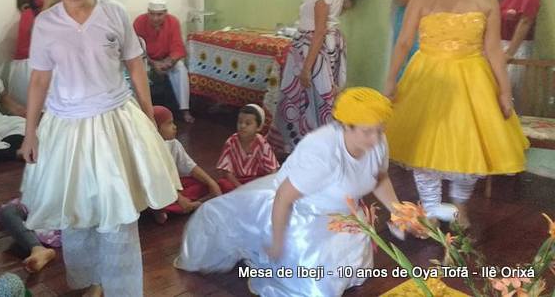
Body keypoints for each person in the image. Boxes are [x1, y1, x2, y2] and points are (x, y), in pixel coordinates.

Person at [18, 0, 180, 297]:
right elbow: (39, 80)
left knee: (117, 210)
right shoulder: (46, 23)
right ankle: (91, 281)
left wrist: (147, 114)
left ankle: (122, 287)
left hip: (113, 121)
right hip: (66, 125)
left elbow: (135, 66)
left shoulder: (114, 13)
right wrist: (30, 132)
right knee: (77, 210)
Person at [176, 88, 403, 296]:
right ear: (346, 126)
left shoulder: (376, 141)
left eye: (379, 130)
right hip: (299, 210)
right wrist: (277, 243)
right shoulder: (322, 152)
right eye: (367, 132)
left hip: (342, 217)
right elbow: (284, 197)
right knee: (216, 216)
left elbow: (378, 176)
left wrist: (397, 211)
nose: (376, 138)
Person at [385, 0, 529, 228]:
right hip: (428, 76)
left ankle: (460, 206)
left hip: (473, 79)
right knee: (423, 145)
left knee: (469, 147)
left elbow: (493, 49)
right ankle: (431, 209)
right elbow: (404, 42)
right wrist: (390, 80)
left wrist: (504, 90)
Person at [275, 0, 348, 153]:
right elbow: (341, 10)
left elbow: (319, 30)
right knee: (325, 98)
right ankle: (321, 147)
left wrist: (307, 68)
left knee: (312, 98)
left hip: (315, 49)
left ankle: (311, 148)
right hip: (329, 44)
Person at [150, 105, 221, 223]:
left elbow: (190, 167)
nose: (175, 127)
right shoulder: (149, 150)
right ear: (156, 128)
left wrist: (211, 183)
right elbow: (156, 183)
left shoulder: (173, 143)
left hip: (173, 188)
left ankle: (183, 207)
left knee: (203, 184)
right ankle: (171, 208)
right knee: (155, 199)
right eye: (169, 123)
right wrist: (180, 198)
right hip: (158, 189)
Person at [133, 0, 194, 122]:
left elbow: (177, 47)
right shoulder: (139, 21)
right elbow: (136, 48)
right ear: (148, 12)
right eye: (152, 14)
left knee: (181, 69)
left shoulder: (173, 21)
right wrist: (153, 63)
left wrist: (168, 62)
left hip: (167, 60)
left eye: (159, 15)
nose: (155, 18)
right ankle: (142, 111)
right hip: (146, 60)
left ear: (166, 13)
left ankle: (184, 110)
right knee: (137, 71)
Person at [8, 0, 59, 106]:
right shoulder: (29, 15)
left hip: (38, 65)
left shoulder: (39, 15)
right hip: (28, 65)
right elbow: (38, 36)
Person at [500, 0, 541, 100]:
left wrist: (510, 52)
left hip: (519, 46)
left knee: (513, 90)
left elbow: (526, 21)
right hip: (502, 44)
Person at [216, 104, 278, 193]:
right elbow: (226, 171)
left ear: (259, 127)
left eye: (248, 123)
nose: (242, 126)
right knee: (223, 184)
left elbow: (272, 169)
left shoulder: (262, 143)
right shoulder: (231, 142)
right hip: (236, 180)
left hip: (255, 181)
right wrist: (240, 187)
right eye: (240, 122)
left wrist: (267, 184)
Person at [0, 196, 58, 273]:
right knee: (8, 212)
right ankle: (37, 248)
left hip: (60, 212)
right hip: (37, 203)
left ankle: (36, 247)